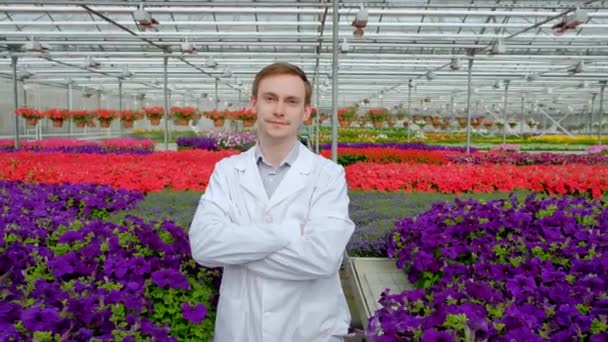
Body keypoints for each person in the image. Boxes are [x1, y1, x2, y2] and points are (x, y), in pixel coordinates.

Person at [189, 62, 355, 342]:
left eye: (291, 101)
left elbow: (322, 260)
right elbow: (204, 246)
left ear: (305, 112)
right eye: (270, 98)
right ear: (254, 104)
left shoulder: (328, 176)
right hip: (241, 330)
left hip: (309, 330)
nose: (279, 110)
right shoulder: (227, 171)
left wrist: (237, 250)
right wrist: (289, 233)